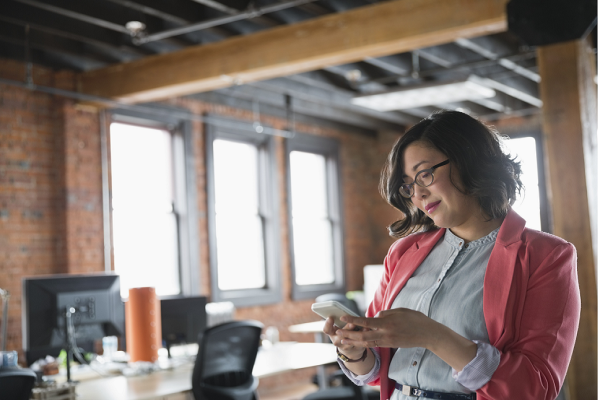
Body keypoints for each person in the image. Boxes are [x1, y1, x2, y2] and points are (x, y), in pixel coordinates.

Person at [323, 110, 580, 400]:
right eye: (408, 185)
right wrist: (354, 352)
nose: (417, 194)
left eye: (425, 174)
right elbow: (378, 369)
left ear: (468, 161)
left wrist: (433, 336)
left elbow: (536, 388)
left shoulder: (547, 257)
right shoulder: (403, 253)